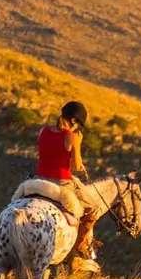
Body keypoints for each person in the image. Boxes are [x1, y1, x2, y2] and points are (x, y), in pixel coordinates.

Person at [36, 101, 97, 259]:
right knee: (93, 207)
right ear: (74, 120)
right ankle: (79, 247)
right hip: (60, 182)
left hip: (38, 178)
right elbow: (76, 166)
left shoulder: (43, 131)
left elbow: (50, 156)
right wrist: (78, 144)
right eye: (78, 124)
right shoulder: (72, 136)